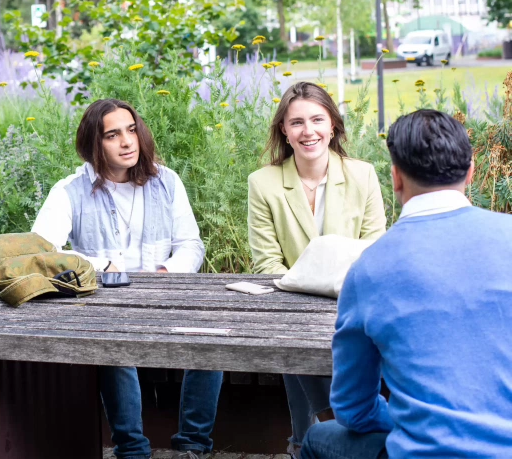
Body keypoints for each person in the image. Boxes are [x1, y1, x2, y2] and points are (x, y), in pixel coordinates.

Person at [301, 109, 512, 458]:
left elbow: (353, 409)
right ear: (471, 173)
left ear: (396, 178)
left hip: (421, 451)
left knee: (317, 438)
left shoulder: (368, 269)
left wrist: (408, 417)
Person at [32, 98, 223, 459]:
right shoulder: (69, 190)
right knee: (113, 348)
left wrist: (165, 273)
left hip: (164, 295)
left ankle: (193, 447)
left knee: (211, 338)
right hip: (106, 302)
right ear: (94, 144)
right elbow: (44, 251)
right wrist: (101, 265)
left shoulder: (166, 181)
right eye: (113, 135)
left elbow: (191, 246)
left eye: (132, 130)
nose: (127, 142)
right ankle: (132, 450)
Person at [247, 82, 387, 458]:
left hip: (352, 301)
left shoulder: (362, 175)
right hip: (289, 302)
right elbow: (266, 263)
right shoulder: (263, 183)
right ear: (284, 132)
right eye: (296, 123)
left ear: (334, 126)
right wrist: (303, 300)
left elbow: (374, 252)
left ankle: (304, 440)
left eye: (317, 120)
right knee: (292, 331)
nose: (308, 131)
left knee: (324, 337)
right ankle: (321, 429)